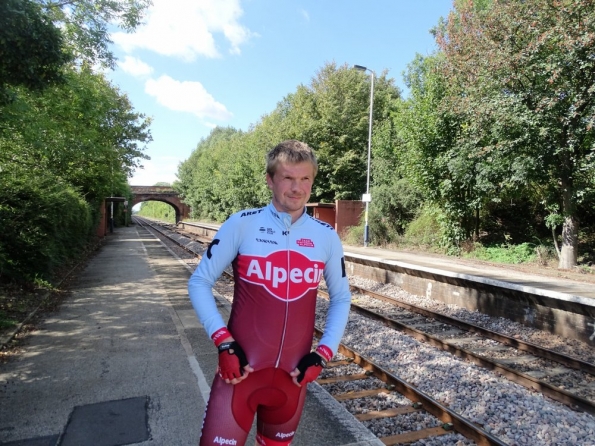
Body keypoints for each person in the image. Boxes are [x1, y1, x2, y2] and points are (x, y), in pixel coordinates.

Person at [188, 140, 352, 446]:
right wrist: (224, 342)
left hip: (292, 382)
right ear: (270, 180)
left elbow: (342, 298)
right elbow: (199, 282)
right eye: (288, 178)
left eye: (305, 179)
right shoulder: (242, 224)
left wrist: (324, 353)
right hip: (239, 376)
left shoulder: (326, 236)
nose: (297, 188)